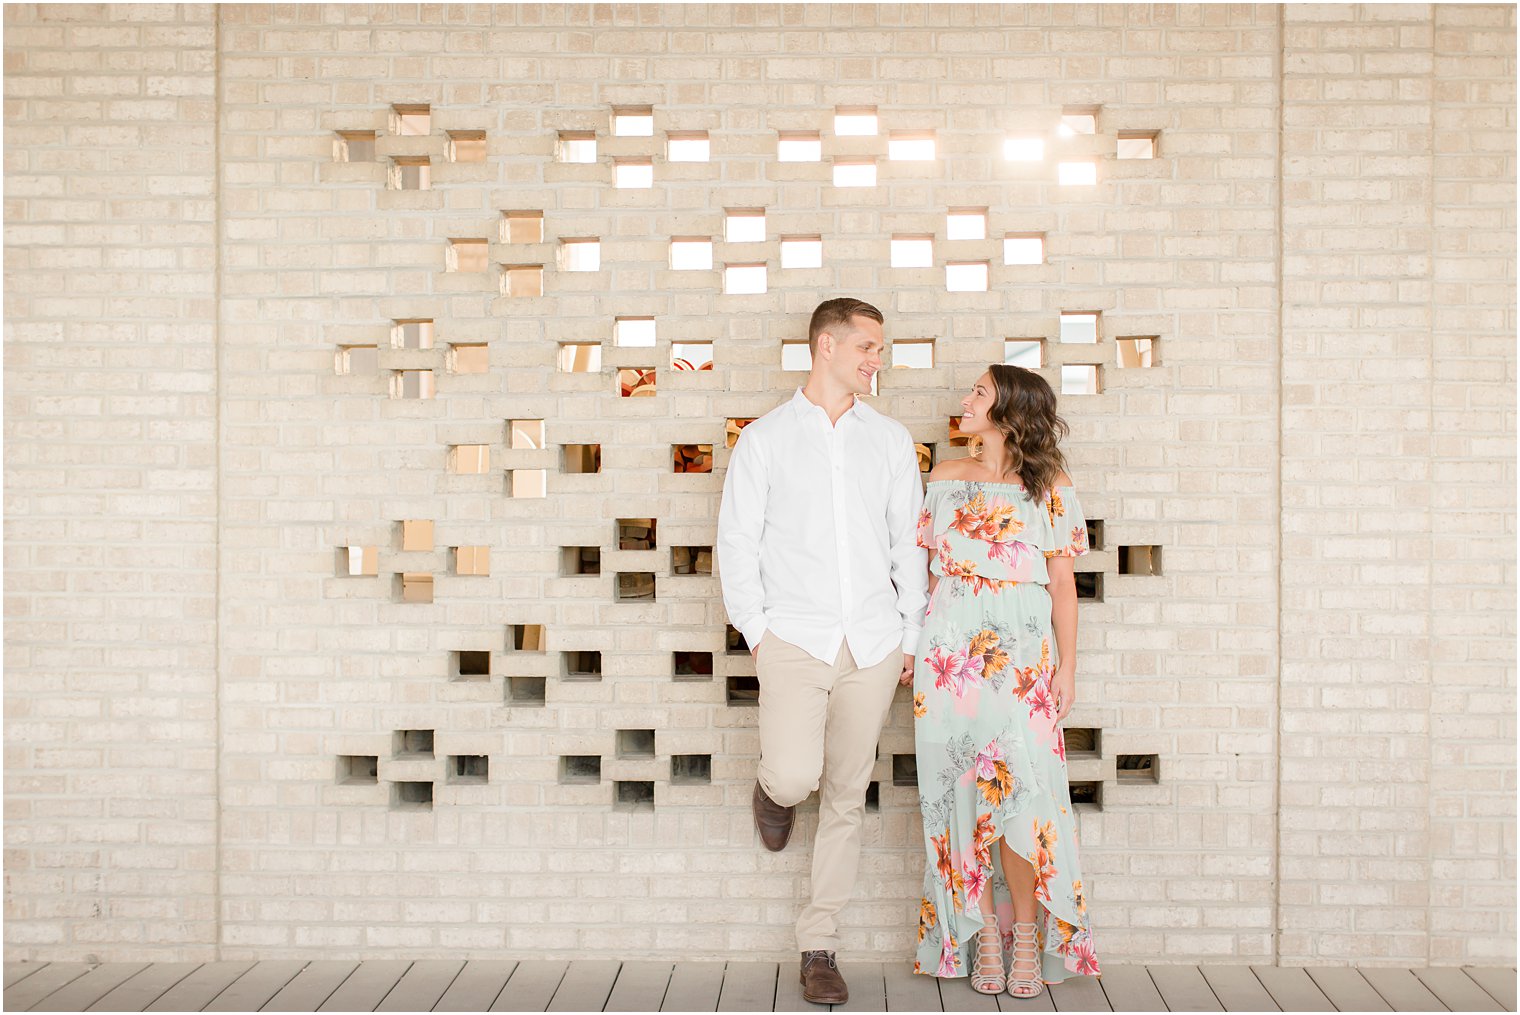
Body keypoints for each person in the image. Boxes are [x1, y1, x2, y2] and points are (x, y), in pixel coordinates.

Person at [717, 297, 928, 1005]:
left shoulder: (890, 440)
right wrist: (756, 630)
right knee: (796, 775)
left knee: (846, 794)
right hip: (794, 639)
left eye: (880, 349)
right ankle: (773, 792)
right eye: (868, 346)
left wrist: (909, 634)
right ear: (826, 346)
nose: (877, 360)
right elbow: (738, 540)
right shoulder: (765, 439)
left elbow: (907, 543)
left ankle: (820, 945)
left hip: (873, 642)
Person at [910, 364, 1101, 996]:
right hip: (948, 659)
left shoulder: (1051, 485)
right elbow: (926, 577)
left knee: (1022, 797)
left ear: (1009, 409)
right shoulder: (944, 478)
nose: (965, 400)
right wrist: (912, 648)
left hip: (1022, 662)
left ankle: (1025, 932)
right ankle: (982, 934)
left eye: (979, 392)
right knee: (958, 797)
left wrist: (1067, 669)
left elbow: (1065, 588)